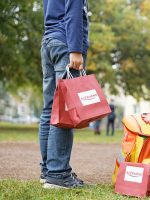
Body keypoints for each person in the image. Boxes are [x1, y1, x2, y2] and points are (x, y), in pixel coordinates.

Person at [39, 0, 89, 189]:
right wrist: (75, 49)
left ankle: (48, 171)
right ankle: (58, 174)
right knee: (64, 110)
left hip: (49, 42)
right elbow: (74, 10)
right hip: (65, 44)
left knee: (49, 110)